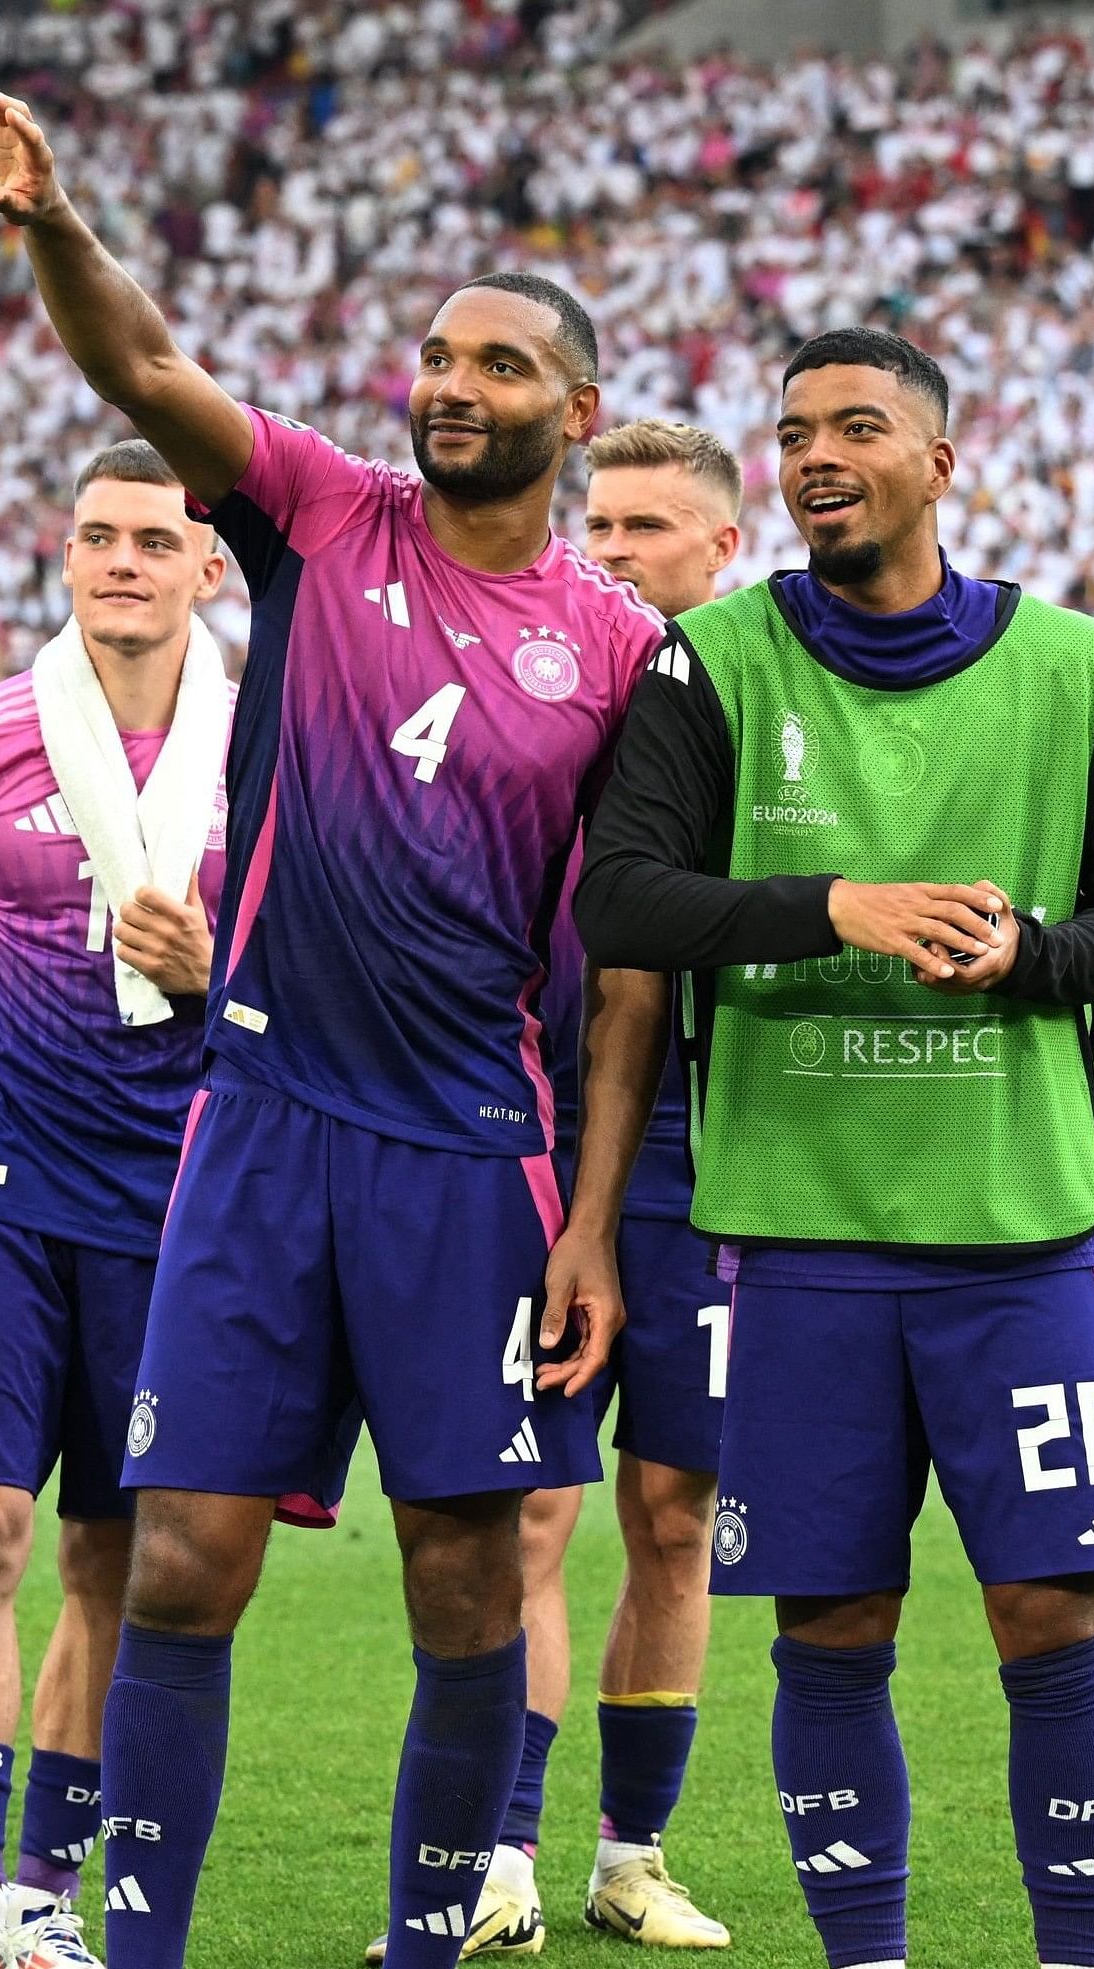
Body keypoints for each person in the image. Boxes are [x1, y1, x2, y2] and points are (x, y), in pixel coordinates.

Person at [0, 82, 662, 1969]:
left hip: (465, 1156)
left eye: (497, 362)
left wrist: (592, 1219)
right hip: (258, 1120)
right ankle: (137, 1947)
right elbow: (150, 365)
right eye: (435, 352)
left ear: (572, 415)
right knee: (182, 1553)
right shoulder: (327, 513)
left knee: (460, 1579)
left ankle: (423, 1944)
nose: (450, 382)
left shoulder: (613, 652)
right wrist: (52, 223)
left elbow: (619, 985)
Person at [576, 327, 1094, 1969]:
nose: (815, 454)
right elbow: (622, 901)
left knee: (1054, 1613)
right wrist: (832, 905)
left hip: (1021, 1232)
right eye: (791, 432)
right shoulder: (708, 665)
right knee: (830, 1624)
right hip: (801, 1238)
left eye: (858, 424)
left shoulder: (1079, 666)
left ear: (941, 459)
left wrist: (1032, 954)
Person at [399, 417, 743, 1958]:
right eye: (596, 527)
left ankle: (633, 1853)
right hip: (534, 1147)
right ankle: (500, 1858)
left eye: (647, 531)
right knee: (527, 1503)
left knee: (675, 1511)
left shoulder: (759, 719)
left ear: (724, 551)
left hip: (715, 1166)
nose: (610, 554)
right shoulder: (536, 709)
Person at [0, 440, 232, 1969]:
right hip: (8, 1181)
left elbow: (316, 970)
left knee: (118, 1553)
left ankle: (45, 1884)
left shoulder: (274, 746)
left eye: (155, 541)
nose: (122, 564)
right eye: (97, 536)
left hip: (183, 1197)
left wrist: (208, 977)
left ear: (207, 566)